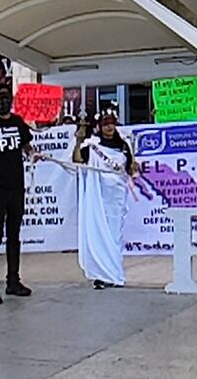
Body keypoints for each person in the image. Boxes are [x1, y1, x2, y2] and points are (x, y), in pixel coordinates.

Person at [0, 85, 43, 305]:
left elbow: (26, 145)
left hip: (16, 187)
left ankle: (13, 280)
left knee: (14, 236)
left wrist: (33, 154)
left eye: (6, 98)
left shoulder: (18, 122)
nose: (3, 102)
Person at [72, 112, 137, 290]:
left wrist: (134, 167)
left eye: (112, 123)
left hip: (116, 198)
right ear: (100, 126)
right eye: (106, 123)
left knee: (114, 236)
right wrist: (78, 141)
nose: (109, 127)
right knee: (99, 234)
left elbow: (130, 169)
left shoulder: (124, 146)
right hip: (99, 198)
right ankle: (101, 275)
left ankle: (114, 274)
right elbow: (78, 159)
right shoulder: (93, 146)